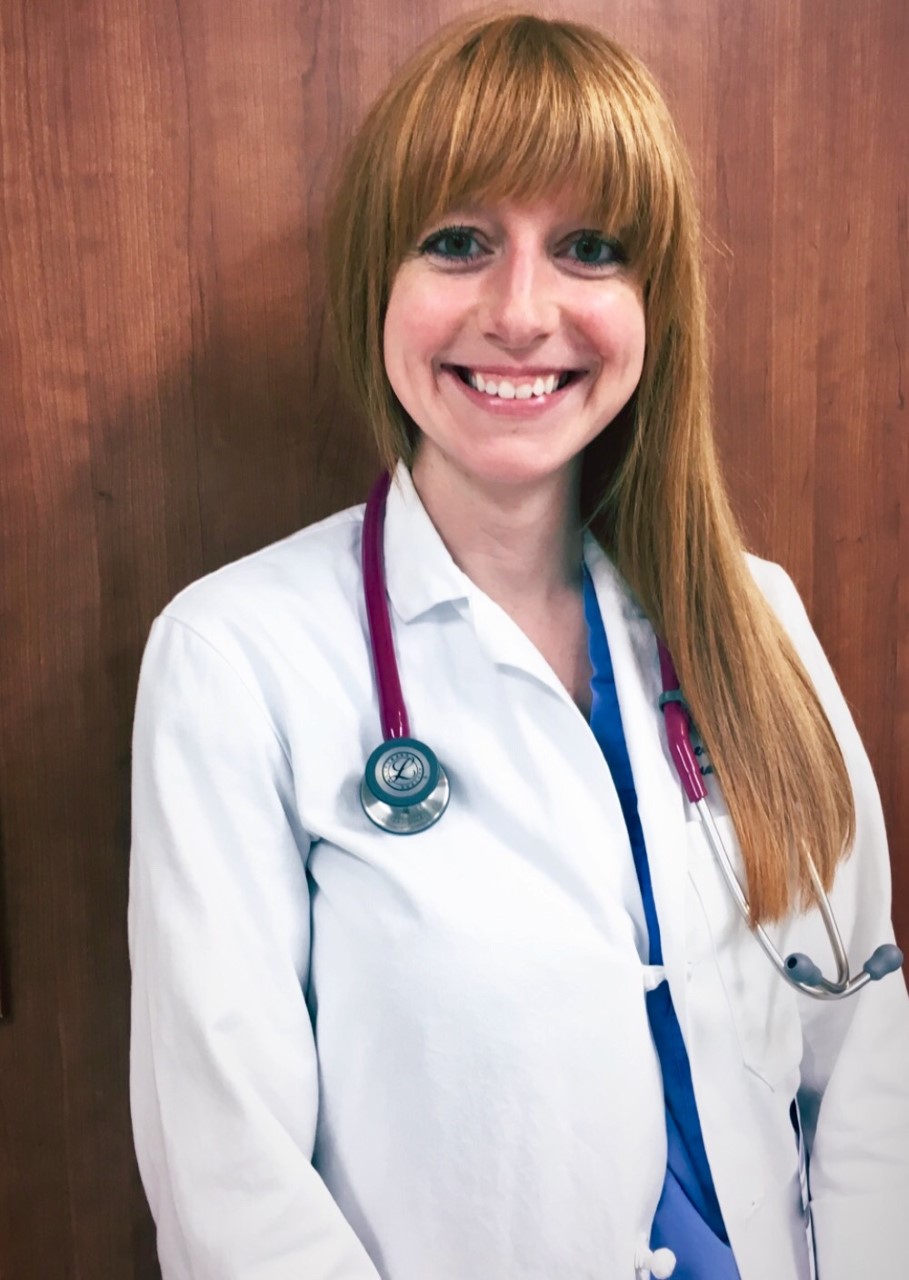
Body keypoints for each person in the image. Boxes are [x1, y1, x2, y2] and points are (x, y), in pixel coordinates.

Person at [128, 13, 909, 1280]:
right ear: (377, 283)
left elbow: (865, 1048)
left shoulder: (756, 618)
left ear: (653, 303)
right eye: (459, 242)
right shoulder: (237, 660)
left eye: (590, 248)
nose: (522, 311)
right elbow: (234, 1191)